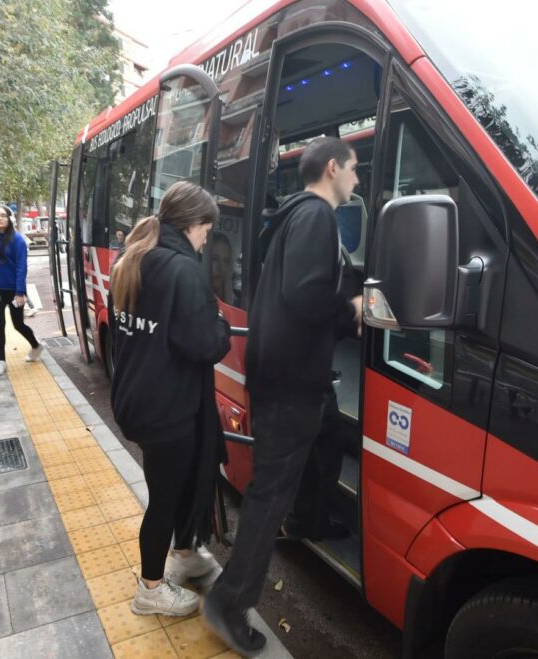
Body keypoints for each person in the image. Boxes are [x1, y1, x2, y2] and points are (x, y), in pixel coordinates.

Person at [203, 137, 362, 655]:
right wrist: (352, 310)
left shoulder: (293, 217)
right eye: (355, 170)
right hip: (292, 383)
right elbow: (307, 292)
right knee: (269, 496)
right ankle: (229, 601)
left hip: (294, 379)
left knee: (333, 432)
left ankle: (310, 517)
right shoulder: (317, 216)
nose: (357, 181)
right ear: (333, 168)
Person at [109, 181, 232, 617]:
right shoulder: (181, 270)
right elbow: (205, 344)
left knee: (173, 486)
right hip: (167, 408)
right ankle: (151, 589)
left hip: (136, 398)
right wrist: (219, 322)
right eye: (205, 232)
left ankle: (184, 552)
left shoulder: (134, 259)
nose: (204, 242)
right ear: (194, 225)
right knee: (164, 499)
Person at [0, 204, 42, 377]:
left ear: (10, 219)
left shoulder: (17, 240)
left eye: (3, 215)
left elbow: (21, 267)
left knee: (18, 324)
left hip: (14, 290)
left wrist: (20, 292)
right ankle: (2, 362)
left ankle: (36, 345)